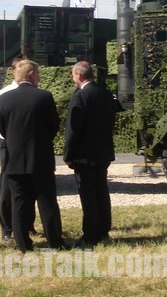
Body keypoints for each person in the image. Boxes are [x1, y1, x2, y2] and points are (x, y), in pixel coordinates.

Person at [0, 60, 66, 251]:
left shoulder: (5, 98)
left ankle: (23, 244)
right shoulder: (44, 96)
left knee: (19, 203)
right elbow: (53, 126)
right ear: (32, 74)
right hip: (40, 157)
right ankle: (54, 242)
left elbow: (3, 129)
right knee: (47, 203)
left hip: (15, 159)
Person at [64, 61, 116, 248]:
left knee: (88, 195)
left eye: (72, 75)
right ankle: (103, 230)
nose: (72, 78)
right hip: (103, 152)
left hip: (84, 154)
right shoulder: (105, 94)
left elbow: (73, 129)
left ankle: (90, 234)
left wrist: (68, 154)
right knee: (102, 191)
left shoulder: (80, 97)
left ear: (78, 75)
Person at [0, 54, 37, 243]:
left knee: (30, 188)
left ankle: (27, 224)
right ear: (15, 70)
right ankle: (7, 228)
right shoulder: (3, 94)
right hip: (9, 145)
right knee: (8, 188)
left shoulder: (34, 92)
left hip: (29, 145)